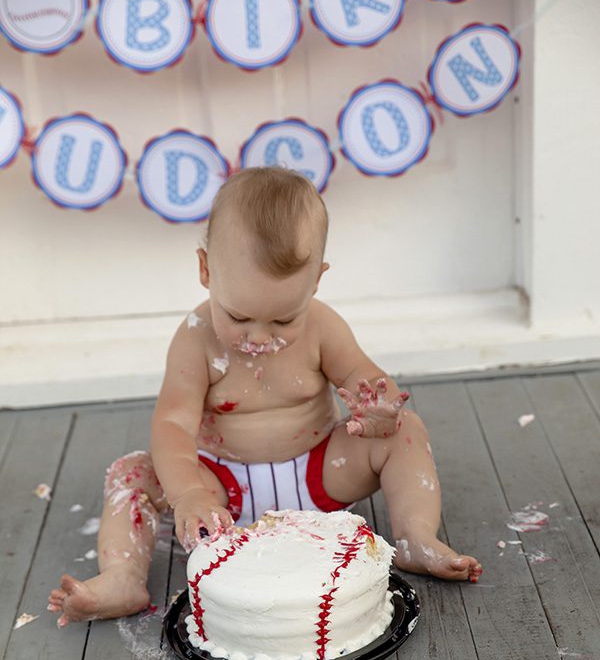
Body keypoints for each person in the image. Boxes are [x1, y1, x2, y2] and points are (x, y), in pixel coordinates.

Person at [47, 167, 483, 627]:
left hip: (320, 473)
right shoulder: (195, 339)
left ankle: (415, 538)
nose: (258, 337)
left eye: (282, 321)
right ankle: (122, 576)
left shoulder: (322, 325)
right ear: (205, 270)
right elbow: (173, 423)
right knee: (131, 473)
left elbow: (362, 376)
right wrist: (190, 493)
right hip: (223, 490)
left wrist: (377, 407)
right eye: (238, 316)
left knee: (406, 430)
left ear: (316, 280)